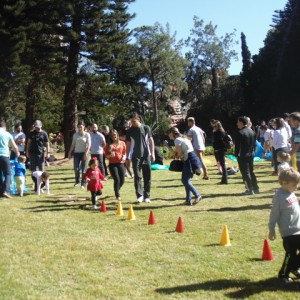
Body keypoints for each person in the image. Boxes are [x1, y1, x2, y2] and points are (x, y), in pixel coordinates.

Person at [268, 168, 300, 283]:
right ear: (285, 183)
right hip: (289, 232)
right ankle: (283, 274)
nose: (296, 187)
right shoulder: (279, 197)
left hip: (298, 229)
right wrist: (271, 229)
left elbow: (293, 202)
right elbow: (274, 214)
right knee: (290, 254)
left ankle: (294, 267)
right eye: (294, 184)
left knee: (293, 255)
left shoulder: (290, 192)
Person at [167, 127, 202, 206]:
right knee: (187, 180)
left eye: (168, 133)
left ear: (172, 133)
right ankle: (188, 200)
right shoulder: (183, 138)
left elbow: (179, 154)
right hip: (192, 159)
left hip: (188, 160)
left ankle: (197, 195)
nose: (168, 136)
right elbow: (179, 153)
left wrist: (170, 150)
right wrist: (171, 149)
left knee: (185, 181)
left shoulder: (177, 140)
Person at [125, 112, 155, 203]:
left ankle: (147, 196)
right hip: (135, 156)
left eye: (134, 121)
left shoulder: (146, 128)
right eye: (131, 121)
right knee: (137, 176)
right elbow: (128, 145)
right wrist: (127, 157)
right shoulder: (129, 131)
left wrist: (152, 153)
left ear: (138, 119)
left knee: (147, 176)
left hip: (146, 155)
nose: (132, 123)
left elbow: (151, 141)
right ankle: (140, 195)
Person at [235, 116, 259, 195]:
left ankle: (249, 189)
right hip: (251, 154)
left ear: (241, 123)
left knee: (245, 173)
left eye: (238, 122)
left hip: (243, 155)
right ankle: (256, 188)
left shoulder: (240, 133)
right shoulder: (252, 131)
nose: (237, 124)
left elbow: (238, 146)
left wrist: (236, 154)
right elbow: (254, 144)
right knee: (251, 172)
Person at [68, 121, 91, 188]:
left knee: (84, 170)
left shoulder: (87, 135)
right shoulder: (75, 135)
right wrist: (69, 153)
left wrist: (86, 154)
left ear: (84, 127)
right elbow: (73, 144)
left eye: (81, 127)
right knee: (76, 169)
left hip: (85, 153)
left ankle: (83, 183)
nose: (80, 128)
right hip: (77, 153)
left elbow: (88, 145)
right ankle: (77, 181)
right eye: (78, 127)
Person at [105, 130, 126, 201]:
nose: (113, 136)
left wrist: (124, 157)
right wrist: (110, 155)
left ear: (117, 135)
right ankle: (117, 195)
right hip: (112, 164)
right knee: (117, 179)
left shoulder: (122, 143)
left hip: (120, 163)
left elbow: (124, 153)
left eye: (114, 135)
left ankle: (116, 189)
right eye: (111, 135)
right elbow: (106, 156)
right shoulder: (108, 145)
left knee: (122, 180)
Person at [0, 120, 20, 198]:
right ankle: (6, 191)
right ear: (5, 127)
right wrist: (17, 152)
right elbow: (14, 146)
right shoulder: (7, 134)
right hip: (4, 155)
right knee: (8, 173)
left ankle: (1, 190)